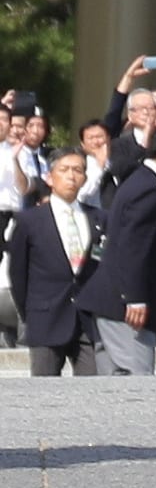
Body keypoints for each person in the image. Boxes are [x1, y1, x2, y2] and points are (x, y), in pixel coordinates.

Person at [78, 126, 156, 375]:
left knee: (115, 387)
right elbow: (133, 247)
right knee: (138, 384)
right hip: (124, 307)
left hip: (113, 302)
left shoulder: (139, 180)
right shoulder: (148, 188)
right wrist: (135, 298)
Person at [6, 151, 101, 375]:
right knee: (43, 394)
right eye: (64, 169)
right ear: (50, 178)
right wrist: (31, 312)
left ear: (85, 179)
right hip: (45, 318)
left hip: (87, 320)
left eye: (78, 170)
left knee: (96, 392)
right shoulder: (29, 220)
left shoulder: (98, 219)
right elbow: (18, 273)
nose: (71, 176)